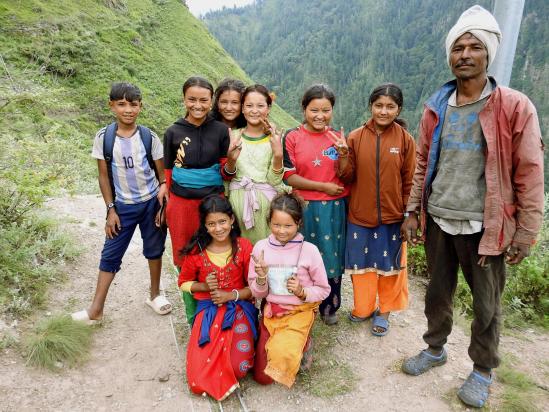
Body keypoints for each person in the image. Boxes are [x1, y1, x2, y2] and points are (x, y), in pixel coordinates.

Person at [400, 5, 544, 408]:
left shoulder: (513, 106)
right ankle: (434, 348)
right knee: (437, 294)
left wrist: (527, 232)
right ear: (450, 56)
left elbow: (529, 171)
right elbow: (423, 163)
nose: (464, 54)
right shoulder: (437, 106)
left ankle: (482, 370)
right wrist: (413, 211)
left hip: (487, 225)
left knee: (486, 305)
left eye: (474, 47)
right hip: (440, 218)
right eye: (458, 47)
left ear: (488, 54)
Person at [72, 82, 171, 324]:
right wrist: (110, 209)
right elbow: (104, 176)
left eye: (133, 105)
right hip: (123, 207)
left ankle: (154, 294)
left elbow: (162, 175)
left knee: (154, 249)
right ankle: (96, 309)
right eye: (122, 104)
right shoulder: (104, 138)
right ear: (112, 106)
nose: (128, 110)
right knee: (110, 254)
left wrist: (163, 198)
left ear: (140, 107)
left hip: (151, 204)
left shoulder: (149, 137)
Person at [336, 83, 416, 336]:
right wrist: (344, 156)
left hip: (393, 217)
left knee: (390, 268)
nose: (383, 111)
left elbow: (410, 180)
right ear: (371, 106)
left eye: (390, 106)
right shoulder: (356, 137)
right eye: (379, 105)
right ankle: (363, 308)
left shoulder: (405, 140)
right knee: (361, 267)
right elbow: (346, 177)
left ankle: (384, 313)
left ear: (398, 109)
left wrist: (409, 215)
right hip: (360, 215)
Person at [178, 195, 257, 401]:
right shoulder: (197, 251)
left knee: (239, 368)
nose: (218, 228)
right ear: (204, 226)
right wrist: (203, 286)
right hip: (209, 312)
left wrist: (231, 295)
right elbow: (183, 283)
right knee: (197, 377)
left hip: (238, 308)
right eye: (211, 224)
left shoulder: (244, 247)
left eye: (222, 221)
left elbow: (255, 288)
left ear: (231, 220)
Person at [248, 193, 330, 388]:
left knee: (283, 356)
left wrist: (303, 292)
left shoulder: (309, 250)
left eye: (288, 226)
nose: (282, 231)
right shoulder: (261, 249)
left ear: (299, 223)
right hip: (272, 312)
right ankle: (287, 342)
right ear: (269, 222)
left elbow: (323, 289)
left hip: (298, 313)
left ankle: (304, 341)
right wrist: (261, 277)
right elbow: (258, 293)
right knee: (262, 377)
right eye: (276, 225)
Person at [283, 84, 349, 325]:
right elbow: (288, 175)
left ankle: (330, 306)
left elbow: (346, 174)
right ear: (304, 109)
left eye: (326, 110)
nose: (320, 116)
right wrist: (323, 187)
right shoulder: (292, 137)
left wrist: (343, 154)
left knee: (332, 257)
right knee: (301, 256)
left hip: (334, 207)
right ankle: (303, 301)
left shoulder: (338, 138)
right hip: (303, 207)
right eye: (314, 110)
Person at [164, 76, 241, 268]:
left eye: (203, 100)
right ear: (184, 99)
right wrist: (166, 195)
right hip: (181, 205)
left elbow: (226, 174)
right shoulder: (173, 132)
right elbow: (168, 169)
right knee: (184, 255)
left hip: (213, 203)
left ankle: (212, 298)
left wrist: (231, 160)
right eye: (192, 99)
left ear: (211, 101)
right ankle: (189, 296)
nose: (197, 105)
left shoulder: (221, 130)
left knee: (215, 253)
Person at [228, 84, 287, 244]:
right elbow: (226, 176)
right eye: (249, 105)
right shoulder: (233, 136)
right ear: (242, 109)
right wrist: (231, 159)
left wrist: (278, 155)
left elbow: (274, 181)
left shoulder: (274, 139)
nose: (254, 110)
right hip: (237, 202)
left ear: (268, 108)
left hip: (266, 204)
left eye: (260, 105)